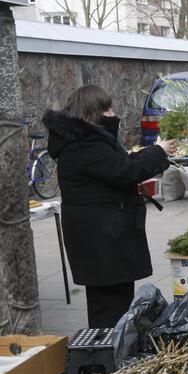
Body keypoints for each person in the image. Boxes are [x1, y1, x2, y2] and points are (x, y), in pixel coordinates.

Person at [42, 85, 175, 328]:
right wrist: (158, 151)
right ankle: (109, 357)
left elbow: (118, 162)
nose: (113, 113)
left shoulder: (86, 139)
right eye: (107, 109)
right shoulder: (85, 144)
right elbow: (126, 171)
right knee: (110, 308)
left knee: (112, 302)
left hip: (103, 236)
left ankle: (109, 355)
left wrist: (153, 153)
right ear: (94, 112)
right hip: (102, 239)